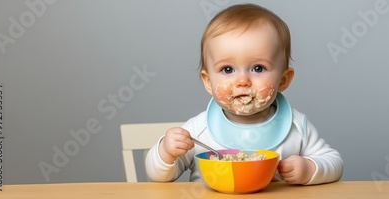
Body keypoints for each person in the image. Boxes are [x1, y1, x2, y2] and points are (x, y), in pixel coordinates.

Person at [145, 3, 343, 185]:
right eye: (228, 70)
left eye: (258, 68)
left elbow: (334, 163)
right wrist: (166, 152)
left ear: (283, 80)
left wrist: (309, 169)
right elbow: (158, 175)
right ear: (208, 82)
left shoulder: (295, 127)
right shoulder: (199, 129)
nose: (242, 81)